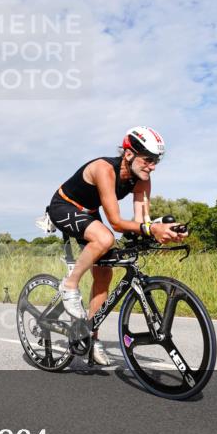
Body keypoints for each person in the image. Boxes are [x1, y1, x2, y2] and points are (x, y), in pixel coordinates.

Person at [45, 126, 187, 365]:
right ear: (129, 153)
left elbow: (142, 221)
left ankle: (90, 336)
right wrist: (150, 229)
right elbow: (117, 222)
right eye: (148, 160)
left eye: (156, 162)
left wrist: (163, 229)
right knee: (105, 238)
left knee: (104, 275)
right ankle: (69, 284)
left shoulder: (142, 180)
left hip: (89, 214)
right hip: (64, 206)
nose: (152, 167)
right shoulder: (104, 169)